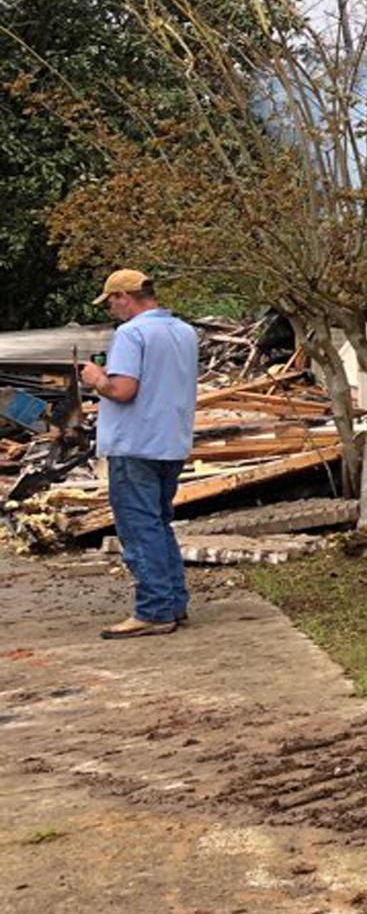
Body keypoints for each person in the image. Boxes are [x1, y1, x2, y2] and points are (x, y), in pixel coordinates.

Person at [78, 269, 198, 639]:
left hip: (134, 444)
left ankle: (154, 610)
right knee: (158, 524)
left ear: (124, 297)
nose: (111, 308)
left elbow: (123, 389)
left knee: (138, 528)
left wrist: (95, 377)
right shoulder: (184, 331)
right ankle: (173, 602)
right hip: (170, 441)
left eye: (111, 301)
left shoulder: (131, 333)